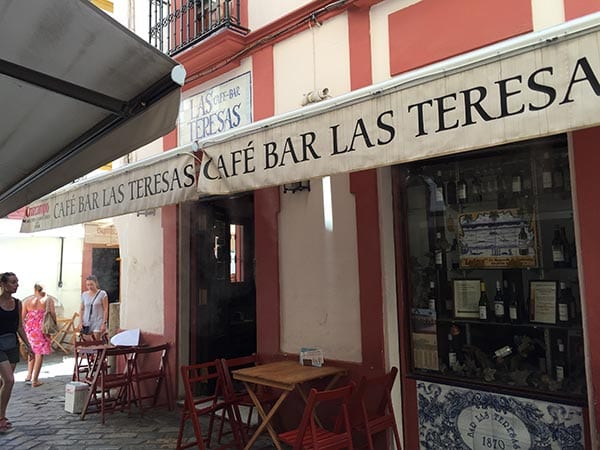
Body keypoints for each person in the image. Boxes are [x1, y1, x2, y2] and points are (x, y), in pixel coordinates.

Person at [0, 272, 32, 433]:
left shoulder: (18, 303)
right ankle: (1, 418)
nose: (16, 285)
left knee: (3, 383)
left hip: (12, 344)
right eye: (13, 282)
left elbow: (19, 326)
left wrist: (28, 345)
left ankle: (1, 414)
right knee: (10, 380)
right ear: (3, 285)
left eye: (17, 282)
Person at [21, 283, 56, 387]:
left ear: (34, 289)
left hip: (30, 328)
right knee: (39, 353)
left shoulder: (27, 301)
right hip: (41, 328)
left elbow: (22, 317)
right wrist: (55, 324)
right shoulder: (48, 300)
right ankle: (35, 380)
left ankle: (29, 375)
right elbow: (53, 314)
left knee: (31, 350)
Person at [78, 275, 109, 341]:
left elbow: (105, 309)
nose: (90, 287)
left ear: (96, 283)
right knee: (87, 343)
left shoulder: (102, 294)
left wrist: (104, 323)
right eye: (88, 285)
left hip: (98, 321)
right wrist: (80, 322)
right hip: (87, 322)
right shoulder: (84, 295)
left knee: (96, 342)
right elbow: (82, 309)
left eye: (91, 284)